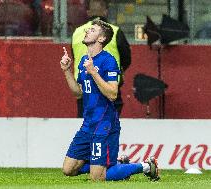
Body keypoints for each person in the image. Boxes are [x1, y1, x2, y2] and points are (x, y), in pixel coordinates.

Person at [60, 19, 159, 181]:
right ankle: (118, 164)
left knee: (97, 178)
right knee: (68, 169)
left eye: (92, 30)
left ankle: (147, 165)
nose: (87, 31)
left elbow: (113, 93)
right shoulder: (84, 61)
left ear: (101, 39)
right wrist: (66, 71)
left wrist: (93, 72)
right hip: (88, 124)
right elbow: (78, 93)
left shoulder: (108, 60)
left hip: (104, 124)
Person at [72, 0, 131, 118]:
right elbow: (127, 58)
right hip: (108, 87)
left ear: (88, 13)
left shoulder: (77, 33)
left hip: (84, 90)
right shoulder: (114, 31)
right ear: (106, 12)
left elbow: (75, 57)